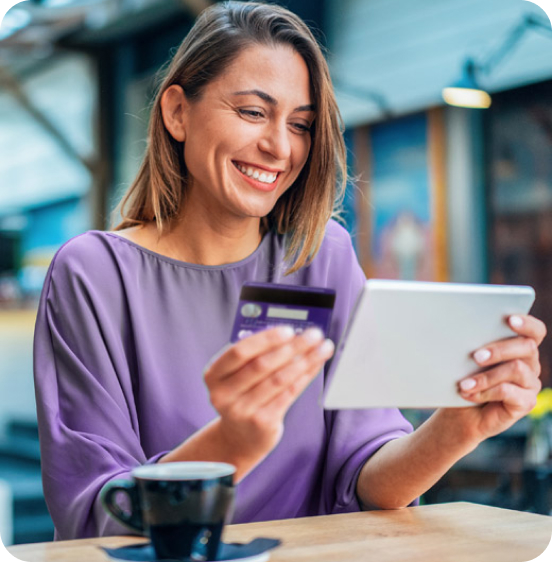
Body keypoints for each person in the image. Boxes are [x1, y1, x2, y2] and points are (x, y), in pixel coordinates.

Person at [33, 0, 546, 541]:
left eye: (300, 124)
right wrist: (235, 439)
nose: (280, 147)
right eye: (253, 112)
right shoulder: (94, 275)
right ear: (177, 112)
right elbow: (97, 517)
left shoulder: (321, 256)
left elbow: (366, 479)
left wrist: (458, 427)